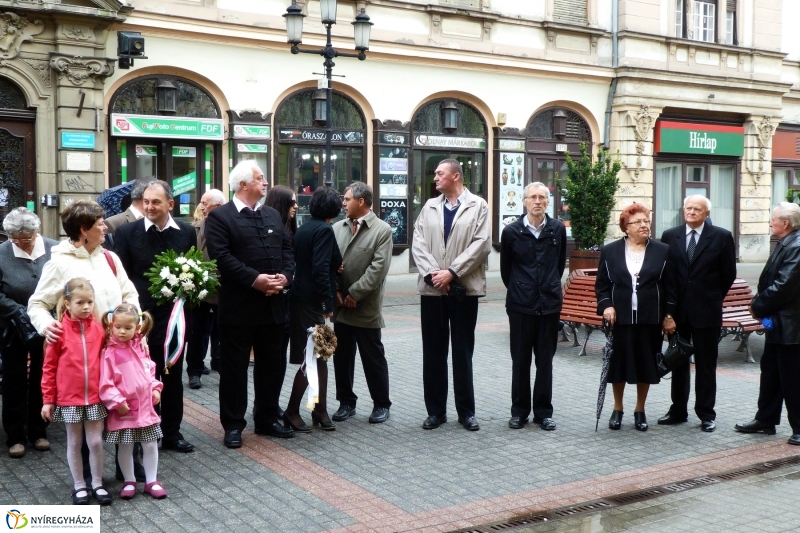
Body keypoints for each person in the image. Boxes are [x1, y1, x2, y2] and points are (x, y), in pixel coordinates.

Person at [28, 200, 142, 482]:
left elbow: (130, 295)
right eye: (99, 223)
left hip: (118, 351)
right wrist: (47, 326)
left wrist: (135, 326)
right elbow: (37, 303)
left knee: (124, 406)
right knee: (89, 418)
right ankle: (89, 477)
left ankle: (127, 466)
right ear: (83, 229)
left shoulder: (110, 259)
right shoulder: (60, 263)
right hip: (83, 355)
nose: (106, 227)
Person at [205, 161, 295, 448]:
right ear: (243, 184)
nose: (265, 182)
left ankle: (267, 419)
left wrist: (285, 278)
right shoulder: (220, 217)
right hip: (238, 309)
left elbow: (287, 250)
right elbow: (221, 257)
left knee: (272, 366)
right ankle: (233, 425)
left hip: (273, 307)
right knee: (234, 370)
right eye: (260, 178)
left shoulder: (271, 214)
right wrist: (256, 280)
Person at [114, 180, 197, 453]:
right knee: (141, 377)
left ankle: (171, 432)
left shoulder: (186, 232)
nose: (149, 206)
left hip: (174, 319)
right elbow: (122, 277)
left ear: (170, 205)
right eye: (146, 201)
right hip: (141, 319)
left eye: (156, 202)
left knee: (172, 373)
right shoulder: (127, 232)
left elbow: (193, 271)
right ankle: (144, 431)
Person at [411, 159, 490, 431]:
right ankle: (435, 412)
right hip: (433, 291)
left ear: (456, 176)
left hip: (463, 291)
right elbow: (418, 243)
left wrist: (452, 272)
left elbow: (481, 244)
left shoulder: (478, 205)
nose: (435, 177)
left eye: (439, 173)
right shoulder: (430, 206)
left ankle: (466, 412)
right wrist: (436, 274)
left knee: (462, 352)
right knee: (433, 353)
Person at [658, 195, 736, 432]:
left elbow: (728, 275)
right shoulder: (670, 236)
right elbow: (666, 277)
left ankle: (706, 413)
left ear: (707, 214)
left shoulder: (721, 237)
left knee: (705, 365)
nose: (691, 212)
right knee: (677, 361)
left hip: (706, 311)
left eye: (697, 209)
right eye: (688, 208)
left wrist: (710, 297)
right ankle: (678, 410)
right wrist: (668, 313)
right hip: (678, 313)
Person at [596, 204, 675, 432]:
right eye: (638, 222)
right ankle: (617, 408)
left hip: (650, 318)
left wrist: (669, 315)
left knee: (645, 365)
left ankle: (640, 410)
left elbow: (671, 287)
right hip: (619, 319)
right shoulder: (610, 251)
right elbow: (602, 286)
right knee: (618, 365)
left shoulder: (662, 251)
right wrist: (606, 306)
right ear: (626, 227)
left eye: (646, 221)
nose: (644, 225)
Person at [500, 182, 567, 431]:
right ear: (524, 201)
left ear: (547, 202)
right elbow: (507, 271)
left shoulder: (557, 230)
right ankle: (519, 412)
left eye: (542, 197)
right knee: (520, 361)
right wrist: (522, 288)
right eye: (533, 197)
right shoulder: (511, 232)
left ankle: (543, 413)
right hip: (520, 305)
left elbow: (559, 266)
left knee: (545, 361)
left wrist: (547, 285)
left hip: (549, 305)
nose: (537, 201)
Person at [40, 278, 112, 505]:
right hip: (69, 399)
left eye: (90, 302)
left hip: (95, 398)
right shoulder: (58, 332)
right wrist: (48, 400)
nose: (86, 307)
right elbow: (49, 367)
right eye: (80, 302)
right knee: (74, 442)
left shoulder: (100, 331)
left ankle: (97, 483)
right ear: (68, 304)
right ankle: (80, 485)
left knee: (96, 443)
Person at [736, 203, 800, 445]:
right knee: (771, 373)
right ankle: (766, 419)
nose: (770, 223)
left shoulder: (797, 245)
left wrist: (757, 305)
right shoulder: (787, 242)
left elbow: (784, 285)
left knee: (792, 378)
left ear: (785, 223)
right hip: (779, 324)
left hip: (792, 326)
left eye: (773, 220)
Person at [331, 182, 393, 424]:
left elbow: (378, 269)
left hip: (365, 306)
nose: (343, 203)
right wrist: (336, 290)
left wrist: (355, 294)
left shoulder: (382, 230)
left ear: (361, 202)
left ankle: (381, 404)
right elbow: (330, 262)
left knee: (373, 357)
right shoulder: (337, 228)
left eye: (347, 199)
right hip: (341, 306)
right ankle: (346, 402)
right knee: (342, 357)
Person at [283, 186, 343, 433]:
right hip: (312, 302)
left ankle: (320, 409)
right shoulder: (325, 230)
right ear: (334, 208)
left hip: (301, 299)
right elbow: (320, 268)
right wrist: (327, 303)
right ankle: (293, 410)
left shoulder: (306, 227)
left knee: (321, 355)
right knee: (314, 357)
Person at [0, 208, 58, 458]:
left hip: (47, 325)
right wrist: (18, 311)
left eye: (27, 239)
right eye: (16, 240)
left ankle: (39, 431)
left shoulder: (54, 249)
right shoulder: (1, 253)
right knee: (13, 380)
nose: (22, 244)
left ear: (37, 233)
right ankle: (15, 436)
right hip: (12, 326)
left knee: (42, 377)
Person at [100, 303, 167, 499]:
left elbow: (150, 371)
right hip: (124, 409)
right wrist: (117, 401)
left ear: (136, 328)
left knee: (150, 444)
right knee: (125, 446)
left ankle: (151, 480)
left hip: (145, 409)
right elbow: (106, 382)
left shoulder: (141, 348)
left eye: (128, 328)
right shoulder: (110, 352)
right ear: (111, 326)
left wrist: (155, 388)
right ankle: (129, 480)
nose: (122, 331)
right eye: (118, 327)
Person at [186, 189, 225, 389]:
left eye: (205, 203)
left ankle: (222, 366)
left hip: (223, 290)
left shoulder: (229, 227)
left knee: (223, 332)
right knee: (196, 332)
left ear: (218, 206)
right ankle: (194, 371)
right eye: (201, 202)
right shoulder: (194, 229)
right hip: (198, 291)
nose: (201, 206)